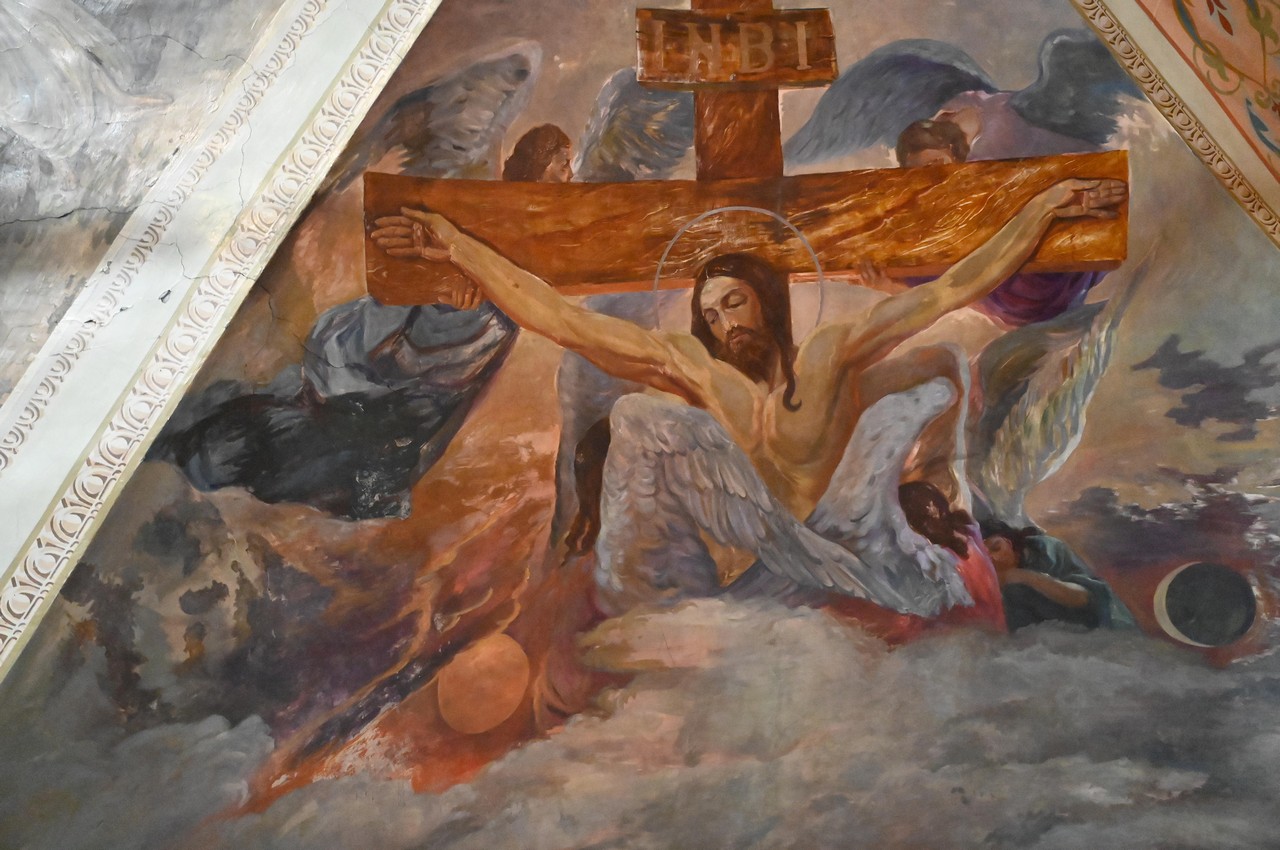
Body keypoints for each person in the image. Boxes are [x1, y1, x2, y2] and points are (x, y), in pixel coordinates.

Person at [370, 177, 1125, 605]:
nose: (725, 322)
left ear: (765, 299)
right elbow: (563, 320)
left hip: (854, 550)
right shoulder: (696, 373)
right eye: (710, 314)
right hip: (769, 566)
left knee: (941, 362)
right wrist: (459, 248)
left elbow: (950, 288)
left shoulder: (830, 356)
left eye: (734, 303)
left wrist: (1040, 210)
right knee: (639, 418)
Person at [894, 115, 1106, 327]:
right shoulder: (922, 221)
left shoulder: (990, 176)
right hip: (1008, 300)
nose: (933, 177)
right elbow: (942, 287)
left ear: (951, 152)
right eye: (919, 174)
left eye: (937, 163)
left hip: (1048, 277)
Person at [981, 519, 1136, 631]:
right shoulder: (984, 581)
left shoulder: (1044, 550)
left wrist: (1022, 576)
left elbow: (1084, 598)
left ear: (1010, 543)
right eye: (984, 556)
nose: (994, 558)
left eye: (997, 548)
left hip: (1107, 626)